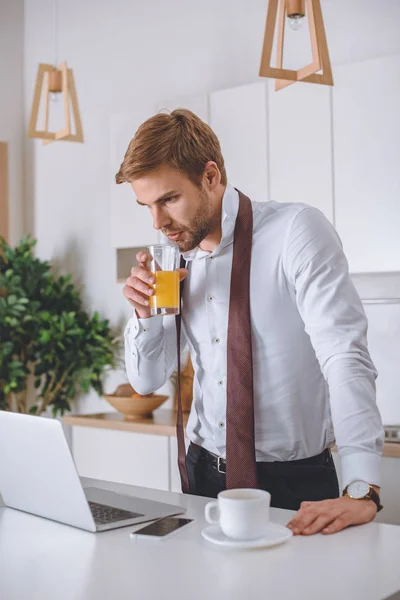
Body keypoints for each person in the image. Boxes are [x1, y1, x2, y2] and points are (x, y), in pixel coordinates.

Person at [116, 109, 384, 536]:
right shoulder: (175, 260)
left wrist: (360, 488)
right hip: (202, 479)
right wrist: (144, 317)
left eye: (168, 199)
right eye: (146, 206)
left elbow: (344, 356)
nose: (157, 223)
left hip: (296, 482)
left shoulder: (296, 232)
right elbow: (147, 382)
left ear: (210, 176)